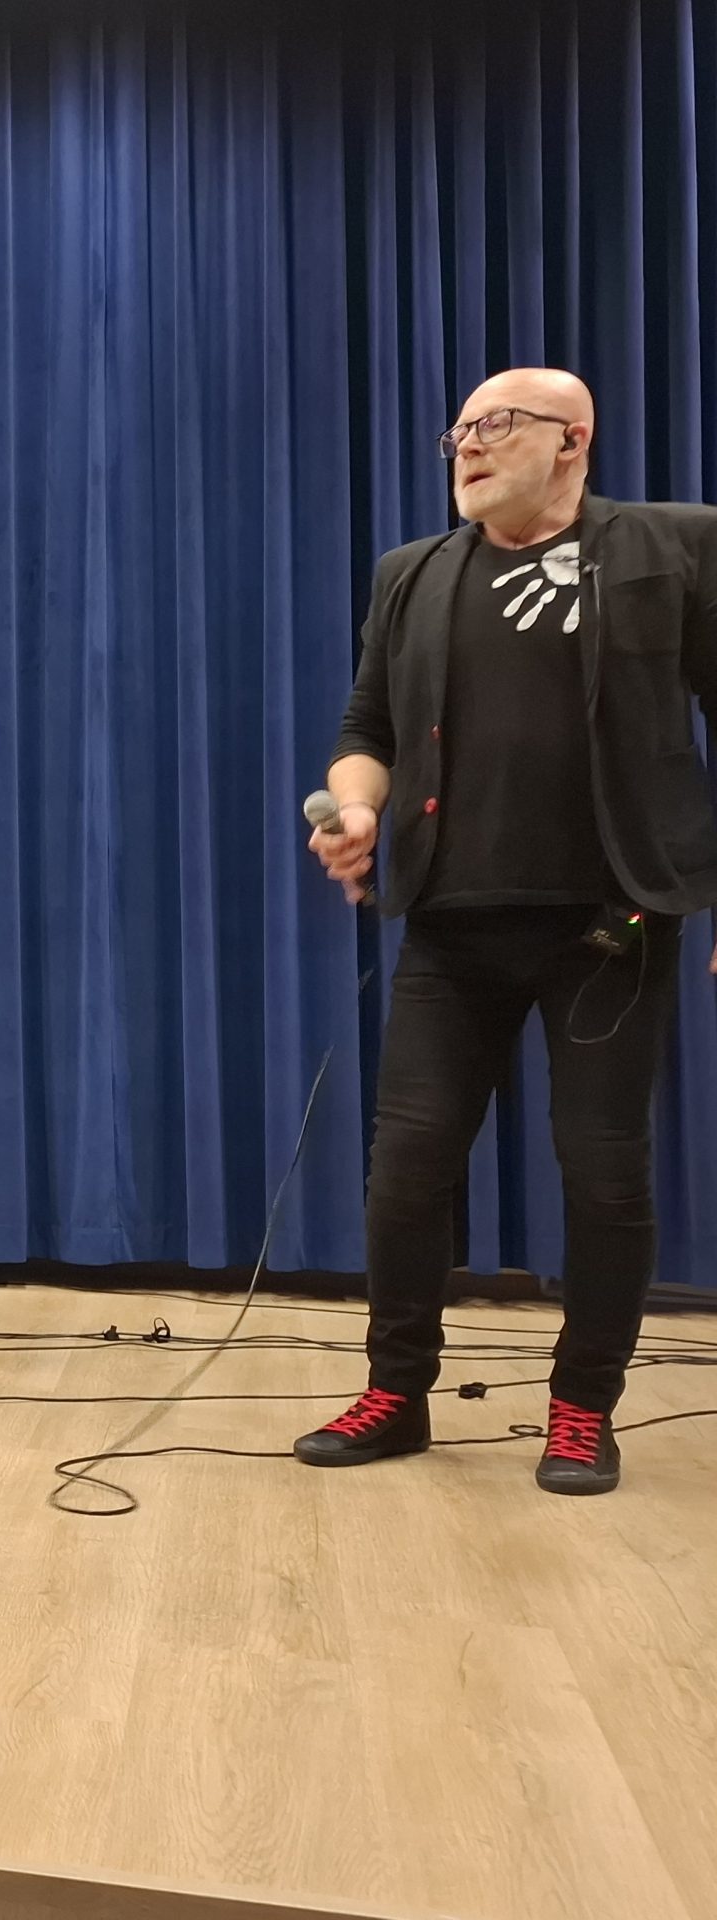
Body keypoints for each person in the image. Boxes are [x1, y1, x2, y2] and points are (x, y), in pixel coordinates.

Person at [299, 368, 717, 1495]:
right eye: (460, 432)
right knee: (407, 1168)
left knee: (604, 1172)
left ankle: (582, 1410)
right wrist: (357, 808)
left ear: (572, 440)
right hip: (452, 922)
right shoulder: (413, 573)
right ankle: (396, 1393)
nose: (468, 447)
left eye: (496, 425)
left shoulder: (675, 549)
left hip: (611, 922)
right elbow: (365, 728)